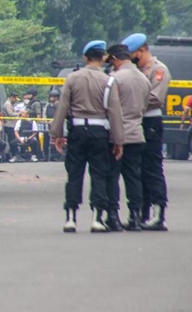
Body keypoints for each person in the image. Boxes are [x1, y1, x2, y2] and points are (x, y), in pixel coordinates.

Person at [50, 40, 125, 233]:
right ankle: (97, 218)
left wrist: (56, 133)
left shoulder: (72, 78)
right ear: (103, 58)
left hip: (77, 131)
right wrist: (118, 140)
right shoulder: (109, 80)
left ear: (85, 58)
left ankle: (70, 218)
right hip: (100, 132)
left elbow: (63, 107)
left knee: (74, 174)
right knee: (99, 174)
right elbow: (114, 112)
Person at [122, 33, 172, 231]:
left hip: (151, 120)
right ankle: (141, 214)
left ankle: (159, 215)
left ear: (141, 51)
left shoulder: (158, 69)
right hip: (138, 120)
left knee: (152, 167)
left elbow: (155, 98)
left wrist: (131, 101)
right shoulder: (138, 71)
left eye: (133, 55)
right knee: (138, 168)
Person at [104, 44, 151, 232]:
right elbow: (146, 105)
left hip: (118, 135)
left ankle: (113, 216)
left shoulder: (114, 79)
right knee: (134, 178)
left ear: (115, 59)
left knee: (112, 176)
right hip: (137, 133)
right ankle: (135, 217)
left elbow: (108, 106)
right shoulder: (144, 78)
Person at [42, 90, 61, 160]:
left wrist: (53, 121)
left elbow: (59, 114)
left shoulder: (59, 105)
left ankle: (55, 155)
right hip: (47, 124)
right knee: (46, 140)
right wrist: (45, 120)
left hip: (56, 125)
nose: (51, 98)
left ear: (56, 97)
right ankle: (45, 155)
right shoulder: (48, 105)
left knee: (56, 140)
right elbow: (44, 113)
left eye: (53, 96)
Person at [1, 92, 19, 159]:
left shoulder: (10, 104)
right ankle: (13, 155)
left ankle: (14, 154)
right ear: (12, 97)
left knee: (13, 140)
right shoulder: (7, 104)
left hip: (12, 125)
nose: (16, 100)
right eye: (15, 98)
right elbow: (10, 114)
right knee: (11, 141)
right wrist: (19, 113)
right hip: (9, 125)